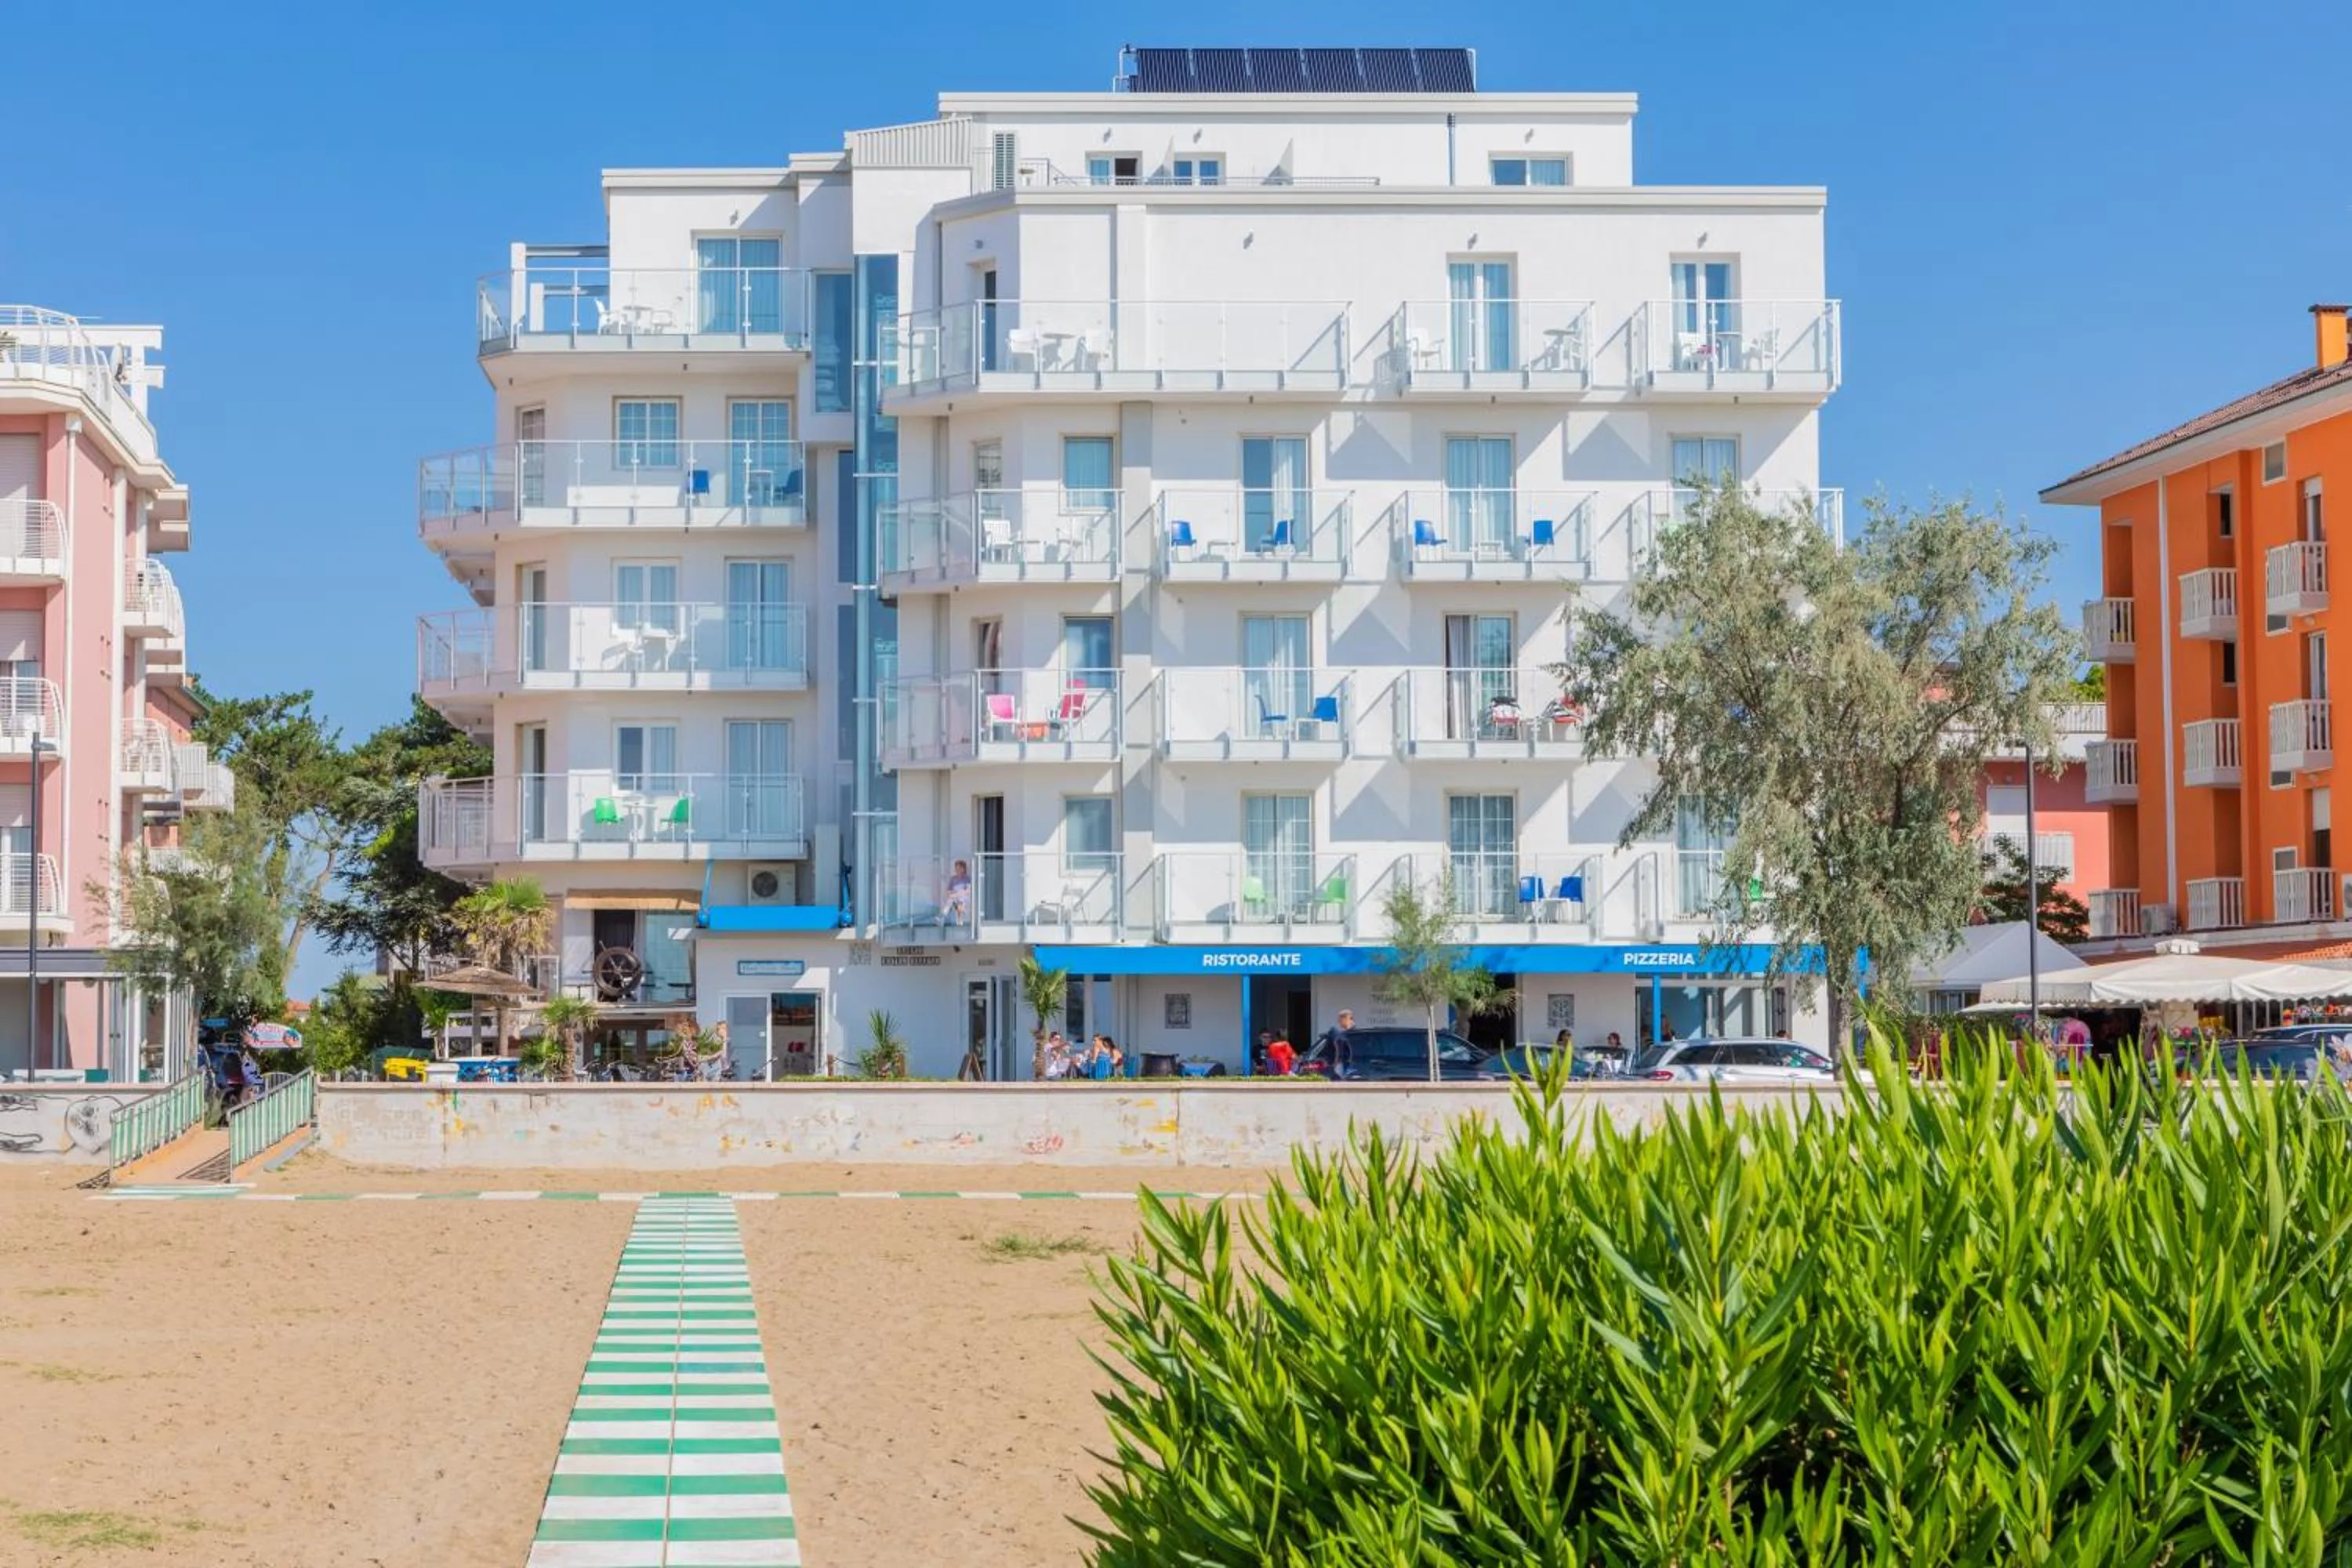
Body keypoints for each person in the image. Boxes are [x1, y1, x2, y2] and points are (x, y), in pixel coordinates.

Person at [1318, 1010, 1356, 1078]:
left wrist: (1337, 1063)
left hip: (1346, 1065)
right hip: (1346, 1064)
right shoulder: (1344, 1033)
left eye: (1340, 1020)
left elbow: (1339, 1049)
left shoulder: (1352, 1034)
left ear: (1347, 1018)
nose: (1339, 1022)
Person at [943, 859, 973, 924]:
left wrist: (957, 894)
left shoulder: (968, 879)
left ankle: (959, 920)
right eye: (956, 868)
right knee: (950, 900)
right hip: (955, 899)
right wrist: (952, 893)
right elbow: (949, 891)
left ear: (963, 869)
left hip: (964, 899)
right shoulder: (953, 879)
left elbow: (967, 891)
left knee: (958, 899)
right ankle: (943, 916)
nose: (957, 870)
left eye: (959, 868)